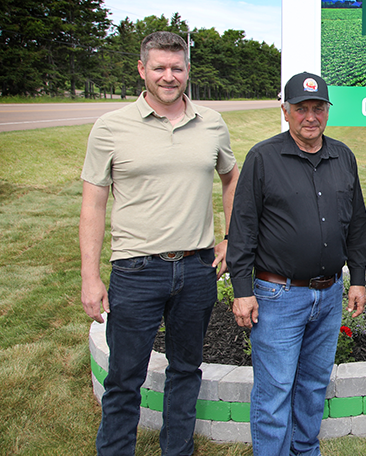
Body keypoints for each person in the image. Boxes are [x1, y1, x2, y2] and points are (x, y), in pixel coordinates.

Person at [79, 31, 239, 456]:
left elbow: (230, 179)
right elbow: (93, 204)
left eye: (177, 68)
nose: (169, 76)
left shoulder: (211, 123)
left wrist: (228, 238)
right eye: (159, 68)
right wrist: (90, 277)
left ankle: (178, 450)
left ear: (188, 70)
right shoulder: (110, 127)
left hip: (196, 269)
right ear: (142, 70)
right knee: (124, 377)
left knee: (186, 370)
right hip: (135, 271)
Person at [226, 71, 366, 455]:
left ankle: (306, 450)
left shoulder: (343, 156)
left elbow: (357, 224)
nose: (311, 116)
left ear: (327, 111)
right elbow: (242, 230)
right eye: (301, 108)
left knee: (312, 386)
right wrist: (242, 291)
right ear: (286, 111)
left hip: (329, 295)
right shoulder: (263, 157)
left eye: (318, 108)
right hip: (278, 296)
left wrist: (357, 279)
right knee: (274, 393)